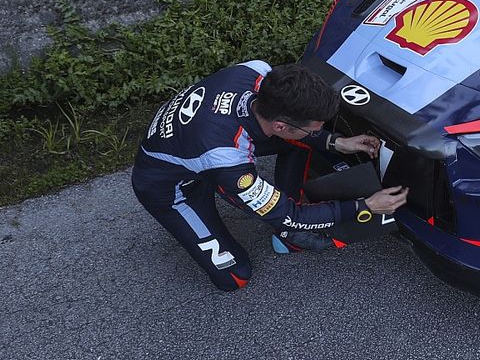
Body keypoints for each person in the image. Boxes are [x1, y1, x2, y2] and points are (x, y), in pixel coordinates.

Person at [131, 60, 408, 291]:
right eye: (315, 128)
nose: (318, 131)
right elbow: (292, 216)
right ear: (279, 125)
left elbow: (295, 130)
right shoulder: (226, 158)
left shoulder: (256, 71)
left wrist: (335, 142)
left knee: (298, 143)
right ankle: (249, 210)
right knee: (234, 277)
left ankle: (281, 230)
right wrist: (365, 206)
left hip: (202, 146)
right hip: (171, 188)